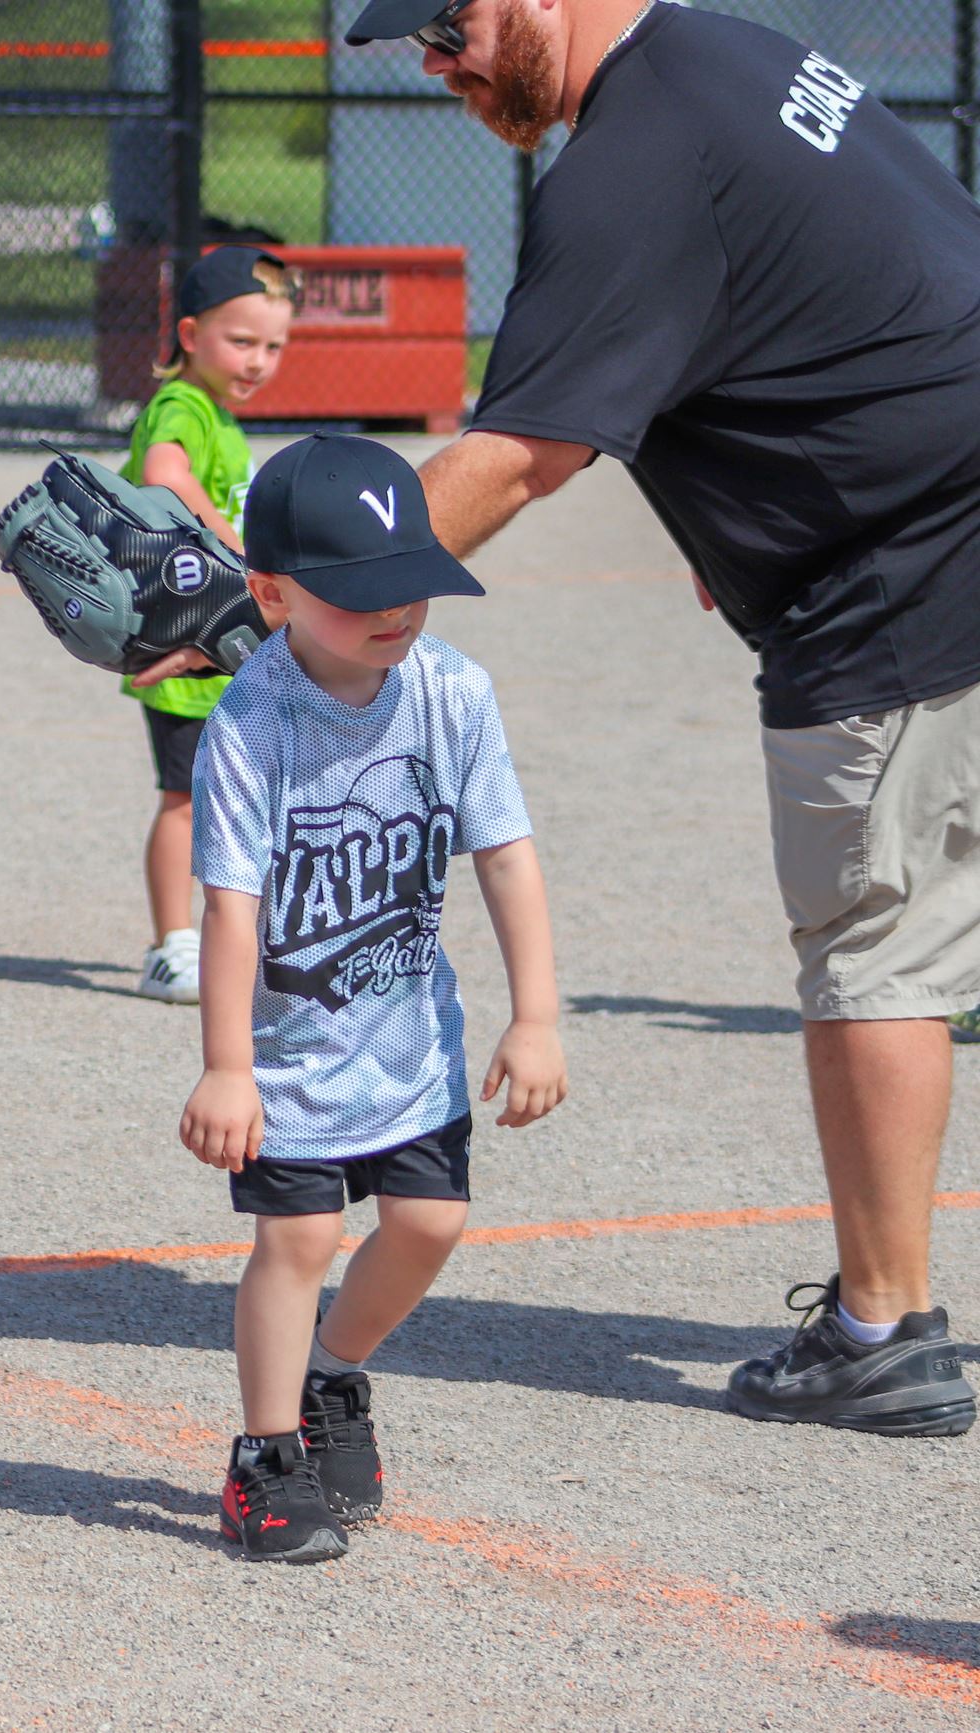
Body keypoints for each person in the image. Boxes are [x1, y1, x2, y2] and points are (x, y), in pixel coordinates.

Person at [334, 0, 980, 1436]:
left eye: (445, 26)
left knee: (876, 948)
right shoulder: (733, 52)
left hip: (908, 586)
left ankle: (885, 1328)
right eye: (411, 48)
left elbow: (511, 459)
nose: (437, 65)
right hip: (941, 519)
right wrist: (739, 503)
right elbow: (875, 265)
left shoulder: (628, 158)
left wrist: (297, 606)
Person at [182, 435, 568, 1564]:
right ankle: (262, 1458)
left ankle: (329, 1374)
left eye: (410, 580)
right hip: (292, 1057)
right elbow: (230, 906)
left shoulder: (450, 691)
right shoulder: (251, 720)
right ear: (271, 592)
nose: (394, 610)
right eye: (356, 595)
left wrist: (534, 1010)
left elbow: (502, 851)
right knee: (297, 1235)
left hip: (411, 1045)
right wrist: (225, 1064)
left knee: (430, 1221)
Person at [121, 246, 298, 1005]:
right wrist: (234, 545)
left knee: (239, 789)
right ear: (190, 334)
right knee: (183, 797)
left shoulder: (217, 412)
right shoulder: (183, 406)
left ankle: (231, 932)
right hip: (183, 639)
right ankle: (172, 944)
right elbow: (163, 475)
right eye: (242, 341)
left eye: (275, 346)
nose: (259, 360)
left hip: (219, 638)